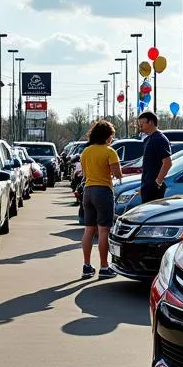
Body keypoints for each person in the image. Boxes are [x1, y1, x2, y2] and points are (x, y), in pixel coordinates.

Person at [79, 120, 123, 279]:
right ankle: (104, 266)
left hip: (88, 191)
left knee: (88, 230)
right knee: (103, 230)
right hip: (103, 191)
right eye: (111, 135)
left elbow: (84, 173)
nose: (112, 138)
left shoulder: (86, 151)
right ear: (107, 136)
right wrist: (117, 171)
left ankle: (86, 265)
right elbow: (117, 174)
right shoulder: (110, 152)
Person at [137, 110, 172, 203]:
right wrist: (144, 186)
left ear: (151, 122)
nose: (140, 128)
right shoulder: (148, 139)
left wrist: (157, 182)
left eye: (142, 124)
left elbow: (167, 163)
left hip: (154, 187)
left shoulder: (159, 139)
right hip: (147, 185)